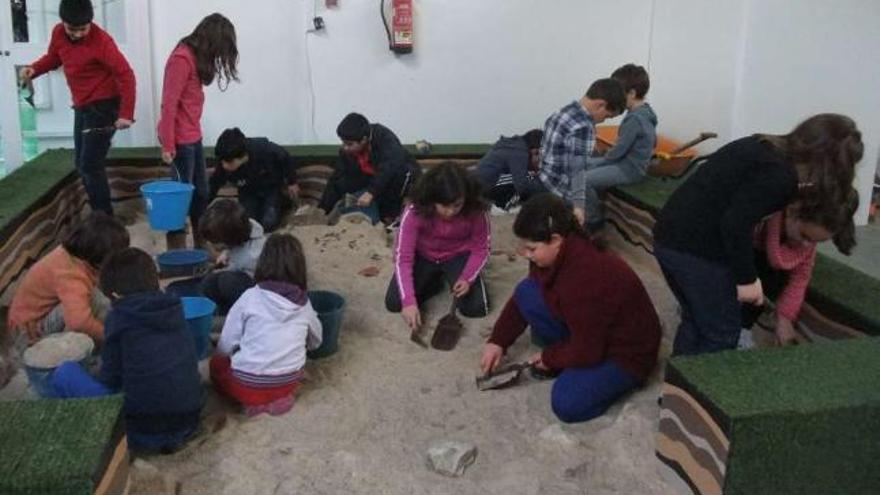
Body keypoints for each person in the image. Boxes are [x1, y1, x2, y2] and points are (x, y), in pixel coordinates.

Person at [653, 114, 864, 356]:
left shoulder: (763, 146)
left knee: (696, 320)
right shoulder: (781, 177)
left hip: (670, 237)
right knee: (721, 332)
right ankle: (697, 388)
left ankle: (675, 389)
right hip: (694, 249)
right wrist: (747, 280)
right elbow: (735, 223)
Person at [481, 194, 660, 423]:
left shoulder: (586, 276)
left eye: (531, 248)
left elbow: (589, 350)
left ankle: (616, 382)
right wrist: (498, 341)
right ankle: (572, 363)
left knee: (567, 403)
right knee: (527, 291)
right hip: (590, 333)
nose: (525, 254)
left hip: (625, 354)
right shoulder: (555, 255)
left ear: (556, 240)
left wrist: (551, 357)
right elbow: (522, 298)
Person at [51, 247, 203, 453]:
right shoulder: (174, 307)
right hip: (189, 421)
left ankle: (82, 437)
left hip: (142, 432)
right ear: (155, 280)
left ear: (114, 295)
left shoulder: (121, 318)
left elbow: (109, 381)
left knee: (64, 373)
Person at [19, 0, 135, 216]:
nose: (78, 34)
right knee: (81, 164)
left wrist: (126, 114)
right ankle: (101, 214)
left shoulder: (102, 41)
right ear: (63, 22)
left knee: (90, 165)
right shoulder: (58, 34)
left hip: (104, 106)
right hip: (82, 105)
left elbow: (126, 75)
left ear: (90, 22)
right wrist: (34, 69)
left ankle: (104, 219)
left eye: (83, 29)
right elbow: (54, 58)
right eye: (72, 29)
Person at [210, 234, 322, 417]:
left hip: (246, 385)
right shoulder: (304, 303)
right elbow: (316, 341)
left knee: (216, 365)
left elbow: (226, 344)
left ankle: (254, 403)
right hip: (288, 381)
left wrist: (227, 355)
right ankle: (279, 398)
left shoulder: (250, 297)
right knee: (291, 363)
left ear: (263, 263)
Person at [158, 13, 239, 249]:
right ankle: (177, 249)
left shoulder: (194, 59)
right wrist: (168, 145)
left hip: (193, 135)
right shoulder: (181, 59)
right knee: (180, 197)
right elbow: (169, 104)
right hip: (179, 139)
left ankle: (201, 243)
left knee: (202, 192)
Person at [742, 188, 859, 345]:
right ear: (792, 211)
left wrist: (785, 317)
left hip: (763, 265)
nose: (807, 244)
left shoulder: (804, 236)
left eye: (815, 241)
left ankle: (747, 324)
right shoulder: (761, 218)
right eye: (805, 236)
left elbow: (800, 277)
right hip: (738, 255)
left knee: (778, 277)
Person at [385, 163, 491, 330]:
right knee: (395, 303)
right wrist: (409, 302)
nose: (450, 212)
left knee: (476, 309)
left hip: (457, 255)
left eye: (457, 205)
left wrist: (467, 278)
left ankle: (444, 278)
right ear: (432, 199)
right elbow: (403, 259)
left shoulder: (475, 211)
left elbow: (481, 249)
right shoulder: (414, 211)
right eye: (444, 206)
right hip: (423, 255)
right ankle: (435, 283)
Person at [7, 212, 129, 344]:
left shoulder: (77, 253)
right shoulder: (69, 274)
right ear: (97, 257)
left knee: (100, 300)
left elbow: (99, 281)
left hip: (38, 316)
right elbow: (79, 322)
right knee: (90, 301)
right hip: (29, 333)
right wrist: (109, 336)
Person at [538, 78, 626, 225]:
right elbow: (578, 171)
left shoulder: (562, 112)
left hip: (547, 181)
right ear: (600, 105)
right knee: (593, 217)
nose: (604, 121)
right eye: (607, 116)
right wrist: (578, 207)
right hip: (562, 191)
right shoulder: (584, 127)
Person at [583, 64, 657, 231]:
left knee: (581, 180)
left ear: (631, 93)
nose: (613, 97)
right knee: (587, 163)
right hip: (628, 163)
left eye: (618, 93)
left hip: (628, 169)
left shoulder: (635, 119)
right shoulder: (646, 113)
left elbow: (616, 154)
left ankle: (593, 220)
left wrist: (595, 162)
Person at [319, 113, 421, 224]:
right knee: (340, 181)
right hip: (371, 180)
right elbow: (337, 176)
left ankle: (391, 217)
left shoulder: (384, 137)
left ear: (364, 139)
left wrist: (371, 192)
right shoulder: (347, 152)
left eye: (349, 144)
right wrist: (322, 210)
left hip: (397, 181)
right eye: (343, 143)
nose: (345, 147)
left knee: (400, 173)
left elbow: (390, 166)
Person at [210, 128, 300, 232]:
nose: (224, 166)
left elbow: (285, 157)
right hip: (248, 191)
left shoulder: (264, 149)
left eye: (229, 162)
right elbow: (214, 185)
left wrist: (292, 182)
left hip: (271, 187)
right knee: (248, 223)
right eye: (222, 162)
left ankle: (283, 205)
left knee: (269, 222)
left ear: (242, 157)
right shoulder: (224, 162)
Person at [196, 199, 267, 314]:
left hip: (260, 296)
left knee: (227, 281)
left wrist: (224, 266)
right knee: (208, 283)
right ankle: (221, 314)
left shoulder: (253, 254)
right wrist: (225, 253)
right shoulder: (245, 228)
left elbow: (240, 266)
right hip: (241, 277)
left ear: (231, 239)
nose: (210, 244)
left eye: (216, 241)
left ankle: (242, 316)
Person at [474, 129, 545, 210]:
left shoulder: (512, 147)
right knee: (529, 179)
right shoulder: (519, 152)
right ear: (534, 149)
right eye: (538, 154)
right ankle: (500, 206)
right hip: (486, 189)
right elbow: (522, 186)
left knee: (530, 179)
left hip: (483, 187)